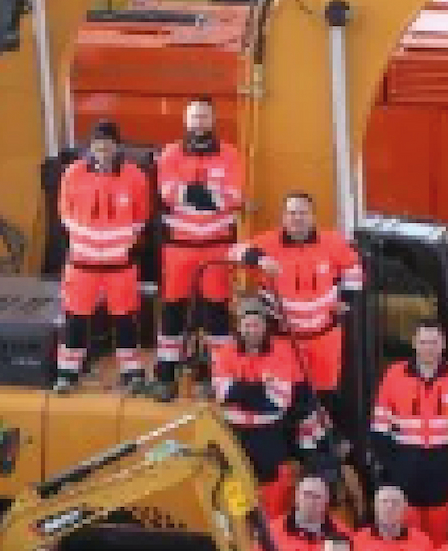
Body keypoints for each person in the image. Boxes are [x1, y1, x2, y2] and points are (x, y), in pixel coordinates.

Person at [233, 191, 363, 411]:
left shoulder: (332, 242)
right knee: (285, 392)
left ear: (313, 216)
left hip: (324, 336)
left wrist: (347, 300)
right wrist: (260, 259)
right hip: (284, 339)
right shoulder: (267, 243)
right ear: (284, 217)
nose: (297, 218)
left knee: (325, 391)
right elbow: (234, 251)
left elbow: (354, 269)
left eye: (302, 213)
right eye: (292, 213)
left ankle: (321, 438)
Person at [154, 97, 245, 396]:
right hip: (179, 247)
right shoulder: (170, 154)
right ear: (186, 121)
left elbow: (232, 197)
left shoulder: (230, 155)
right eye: (194, 117)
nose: (199, 122)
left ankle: (220, 378)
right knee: (173, 312)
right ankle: (165, 376)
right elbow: (167, 193)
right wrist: (210, 196)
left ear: (213, 120)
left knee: (216, 314)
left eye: (204, 116)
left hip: (216, 248)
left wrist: (188, 194)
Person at [54, 119, 151, 395]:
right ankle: (67, 373)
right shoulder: (73, 172)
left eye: (108, 144)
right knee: (75, 317)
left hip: (120, 266)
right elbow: (64, 211)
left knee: (125, 319)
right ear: (91, 146)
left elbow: (142, 214)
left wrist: (120, 246)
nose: (103, 149)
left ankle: (131, 372)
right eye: (98, 144)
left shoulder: (134, 175)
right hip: (81, 265)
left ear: (117, 146)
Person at [211, 297, 326, 524]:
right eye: (247, 324)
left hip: (268, 434)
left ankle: (271, 531)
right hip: (234, 434)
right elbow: (223, 393)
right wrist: (260, 389)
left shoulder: (281, 353)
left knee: (271, 486)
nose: (251, 330)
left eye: (256, 324)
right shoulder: (224, 353)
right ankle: (241, 532)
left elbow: (279, 401)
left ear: (265, 326)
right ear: (239, 326)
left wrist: (240, 390)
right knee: (234, 483)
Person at [369, 322, 448, 543]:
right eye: (424, 342)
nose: (429, 348)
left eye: (434, 342)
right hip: (405, 466)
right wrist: (392, 466)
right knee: (408, 533)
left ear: (443, 345)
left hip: (444, 467)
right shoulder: (394, 375)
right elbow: (380, 428)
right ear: (415, 344)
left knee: (440, 533)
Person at [267, 473, 344, 551]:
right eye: (306, 494)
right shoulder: (272, 531)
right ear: (296, 497)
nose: (311, 501)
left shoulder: (343, 535)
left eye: (317, 497)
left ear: (327, 501)